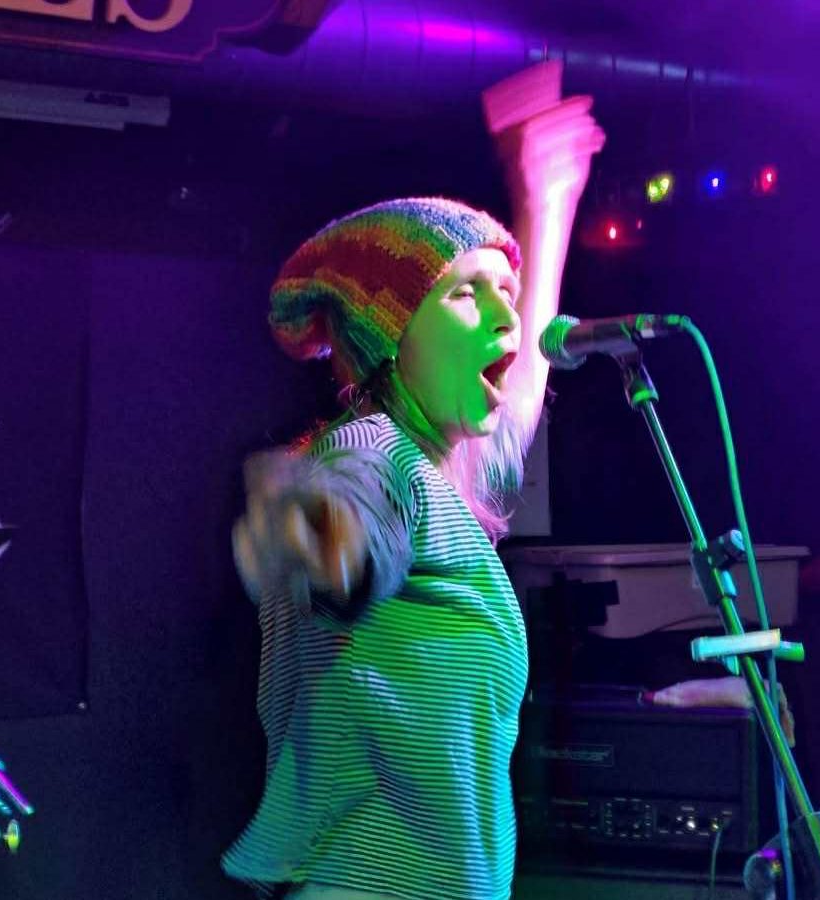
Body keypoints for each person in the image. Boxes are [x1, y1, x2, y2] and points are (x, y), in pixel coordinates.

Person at [222, 89, 605, 900]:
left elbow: (519, 397)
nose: (508, 315)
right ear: (390, 337)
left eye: (509, 290)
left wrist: (548, 198)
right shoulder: (373, 452)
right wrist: (314, 534)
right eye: (468, 292)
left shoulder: (437, 481)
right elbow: (347, 526)